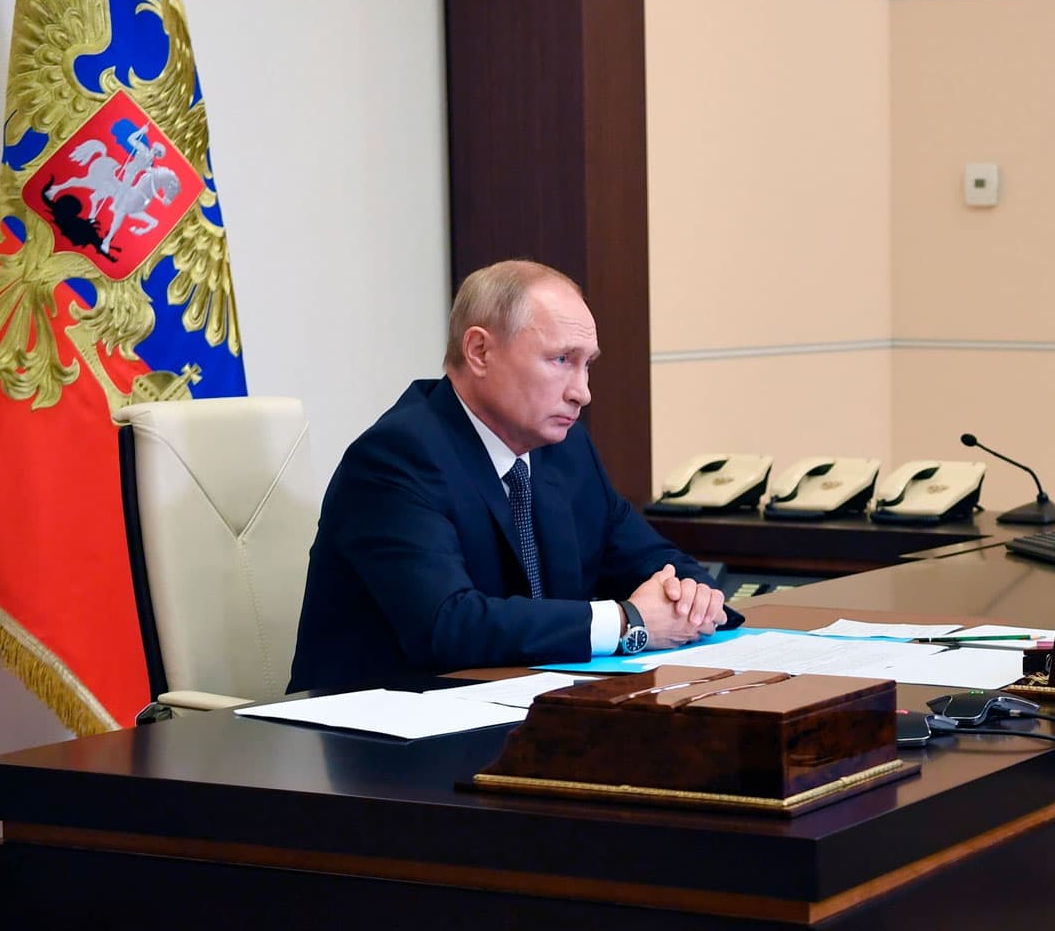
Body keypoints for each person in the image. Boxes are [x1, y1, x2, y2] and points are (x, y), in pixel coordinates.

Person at [291, 260, 735, 693]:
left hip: (524, 713)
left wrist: (693, 598)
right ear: (480, 351)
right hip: (380, 737)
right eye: (561, 359)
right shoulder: (397, 457)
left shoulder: (567, 451)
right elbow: (446, 625)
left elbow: (663, 564)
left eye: (587, 365)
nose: (582, 392)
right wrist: (627, 623)